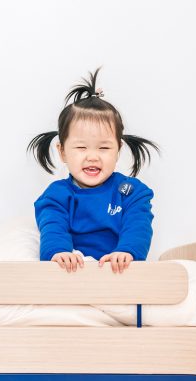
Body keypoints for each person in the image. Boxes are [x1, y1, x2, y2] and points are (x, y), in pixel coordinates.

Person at [27, 68, 159, 275]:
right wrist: (59, 252)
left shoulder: (132, 192)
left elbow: (138, 226)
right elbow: (53, 227)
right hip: (75, 273)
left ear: (118, 151)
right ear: (62, 152)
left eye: (104, 148)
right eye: (81, 147)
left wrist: (126, 251)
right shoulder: (57, 195)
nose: (93, 156)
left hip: (118, 272)